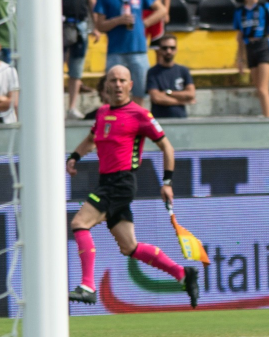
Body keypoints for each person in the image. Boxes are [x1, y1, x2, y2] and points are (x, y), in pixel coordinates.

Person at [66, 65, 199, 308]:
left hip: (122, 181)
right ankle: (182, 274)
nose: (117, 85)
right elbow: (92, 139)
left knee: (79, 223)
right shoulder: (102, 113)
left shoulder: (140, 115)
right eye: (113, 80)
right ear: (106, 85)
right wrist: (74, 156)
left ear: (130, 85)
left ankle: (87, 286)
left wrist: (167, 182)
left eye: (122, 80)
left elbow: (167, 148)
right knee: (130, 247)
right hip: (107, 181)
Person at [93, 0, 166, 107]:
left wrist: (143, 23)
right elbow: (99, 25)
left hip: (138, 49)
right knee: (113, 92)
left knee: (139, 91)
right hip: (115, 51)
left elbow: (161, 10)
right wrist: (118, 21)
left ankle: (136, 125)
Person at [62, 0, 99, 120]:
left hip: (80, 24)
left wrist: (96, 26)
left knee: (76, 68)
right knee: (55, 68)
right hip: (59, 26)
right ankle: (57, 106)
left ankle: (72, 107)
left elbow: (91, 1)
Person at [234, 0, 269, 118]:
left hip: (263, 46)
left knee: (262, 89)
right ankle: (265, 115)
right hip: (250, 48)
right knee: (258, 88)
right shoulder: (239, 12)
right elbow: (240, 37)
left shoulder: (264, 7)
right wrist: (240, 58)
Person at [146, 34, 195, 118]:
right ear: (160, 50)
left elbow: (191, 94)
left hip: (181, 120)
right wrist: (181, 101)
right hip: (159, 121)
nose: (168, 51)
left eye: (172, 48)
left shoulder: (183, 71)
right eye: (165, 48)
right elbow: (156, 98)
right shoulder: (152, 72)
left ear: (176, 49)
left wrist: (168, 93)